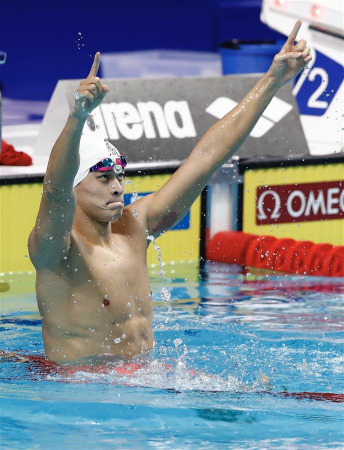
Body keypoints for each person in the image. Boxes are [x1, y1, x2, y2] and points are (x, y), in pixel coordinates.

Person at [28, 21, 311, 364]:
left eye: (119, 175)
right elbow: (54, 191)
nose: (118, 186)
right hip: (82, 391)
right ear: (76, 184)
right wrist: (78, 116)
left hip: (141, 384)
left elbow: (208, 157)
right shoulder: (56, 250)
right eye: (104, 178)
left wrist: (273, 81)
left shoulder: (134, 227)